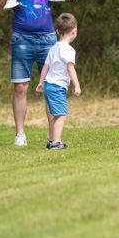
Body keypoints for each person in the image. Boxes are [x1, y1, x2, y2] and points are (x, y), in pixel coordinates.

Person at [0, 0, 74, 147]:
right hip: (22, 38)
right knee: (21, 87)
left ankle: (53, 136)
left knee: (51, 87)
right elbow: (0, 8)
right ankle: (20, 134)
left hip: (48, 39)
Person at [36, 13, 81, 150]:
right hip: (57, 87)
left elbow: (45, 66)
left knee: (55, 116)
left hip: (49, 85)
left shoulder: (53, 48)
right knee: (62, 115)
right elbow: (70, 68)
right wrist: (77, 85)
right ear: (74, 31)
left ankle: (51, 140)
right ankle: (56, 143)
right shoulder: (68, 50)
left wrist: (41, 82)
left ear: (57, 31)